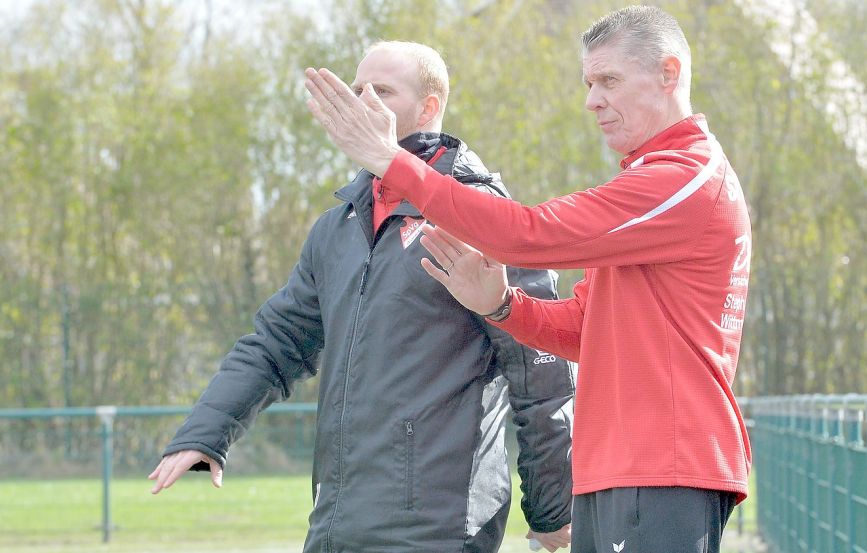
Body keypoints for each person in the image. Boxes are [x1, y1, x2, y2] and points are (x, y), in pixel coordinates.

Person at [303, 6, 752, 553]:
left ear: (669, 73)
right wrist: (501, 306)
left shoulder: (684, 179)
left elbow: (527, 234)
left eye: (609, 80)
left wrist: (391, 160)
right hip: (618, 469)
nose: (592, 100)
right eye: (589, 82)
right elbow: (584, 330)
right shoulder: (646, 183)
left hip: (663, 464)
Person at [150, 41, 576, 553]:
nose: (360, 103)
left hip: (437, 532)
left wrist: (554, 509)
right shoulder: (337, 227)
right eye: (355, 91)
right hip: (335, 527)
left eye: (381, 91)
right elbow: (275, 343)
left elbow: (543, 379)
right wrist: (205, 433)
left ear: (429, 107)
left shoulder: (483, 215)